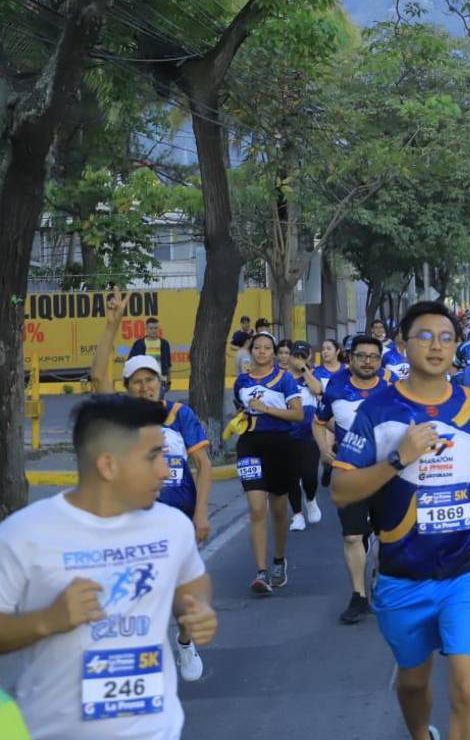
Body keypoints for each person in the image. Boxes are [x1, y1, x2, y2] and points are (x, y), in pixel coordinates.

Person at [331, 302, 470, 740]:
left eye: (446, 337)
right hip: (403, 572)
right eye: (424, 336)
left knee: (467, 687)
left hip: (467, 565)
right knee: (413, 683)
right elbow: (341, 490)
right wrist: (397, 458)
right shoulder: (377, 411)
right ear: (403, 344)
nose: (436, 345)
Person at [0, 395, 217, 740]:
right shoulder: (24, 535)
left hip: (157, 731)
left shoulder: (172, 526)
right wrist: (47, 620)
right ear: (108, 466)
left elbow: (192, 579)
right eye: (153, 457)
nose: (166, 470)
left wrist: (198, 606)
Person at [89, 288, 213, 682]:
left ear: (162, 382)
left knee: (181, 596)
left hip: (177, 519)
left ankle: (183, 641)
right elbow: (96, 376)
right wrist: (112, 324)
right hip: (132, 521)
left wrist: (201, 513)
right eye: (136, 382)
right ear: (127, 389)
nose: (144, 388)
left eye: (150, 380)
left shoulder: (181, 415)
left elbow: (204, 466)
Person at [314, 334, 398, 624]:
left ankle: (382, 581)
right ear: (350, 358)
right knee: (353, 535)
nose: (367, 362)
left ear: (380, 361)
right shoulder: (336, 387)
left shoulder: (393, 389)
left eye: (373, 357)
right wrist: (324, 449)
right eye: (361, 356)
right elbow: (319, 420)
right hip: (349, 472)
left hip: (387, 473)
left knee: (387, 536)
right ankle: (358, 596)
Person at [232, 331, 304, 595]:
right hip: (249, 444)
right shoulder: (241, 381)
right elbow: (241, 408)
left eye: (266, 348)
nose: (261, 352)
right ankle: (261, 572)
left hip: (279, 444)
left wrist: (266, 410)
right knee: (255, 507)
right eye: (257, 348)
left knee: (277, 508)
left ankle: (279, 559)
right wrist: (241, 418)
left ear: (274, 353)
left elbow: (297, 414)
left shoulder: (284, 380)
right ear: (251, 352)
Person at [284, 341, 323, 532]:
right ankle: (297, 515)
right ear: (289, 357)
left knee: (309, 476)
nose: (298, 359)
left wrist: (305, 370)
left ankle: (310, 499)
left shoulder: (313, 377)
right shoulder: (283, 379)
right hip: (287, 435)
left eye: (302, 356)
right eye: (295, 356)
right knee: (291, 477)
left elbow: (318, 390)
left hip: (310, 435)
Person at [126, 317, 173, 395]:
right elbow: (131, 363)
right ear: (146, 329)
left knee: (157, 405)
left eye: (156, 328)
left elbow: (168, 364)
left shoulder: (164, 344)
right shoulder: (139, 344)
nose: (154, 331)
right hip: (144, 382)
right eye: (151, 328)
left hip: (160, 381)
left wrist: (169, 381)